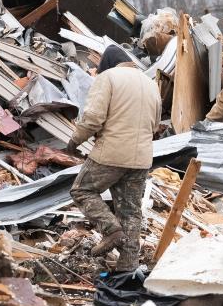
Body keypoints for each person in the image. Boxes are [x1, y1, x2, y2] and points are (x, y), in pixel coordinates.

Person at [67, 45, 161, 271]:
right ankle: (127, 267)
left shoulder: (108, 77)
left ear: (106, 64)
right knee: (130, 210)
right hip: (141, 158)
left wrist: (74, 142)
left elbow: (93, 117)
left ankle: (110, 230)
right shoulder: (150, 83)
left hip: (110, 153)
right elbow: (156, 125)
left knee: (82, 190)